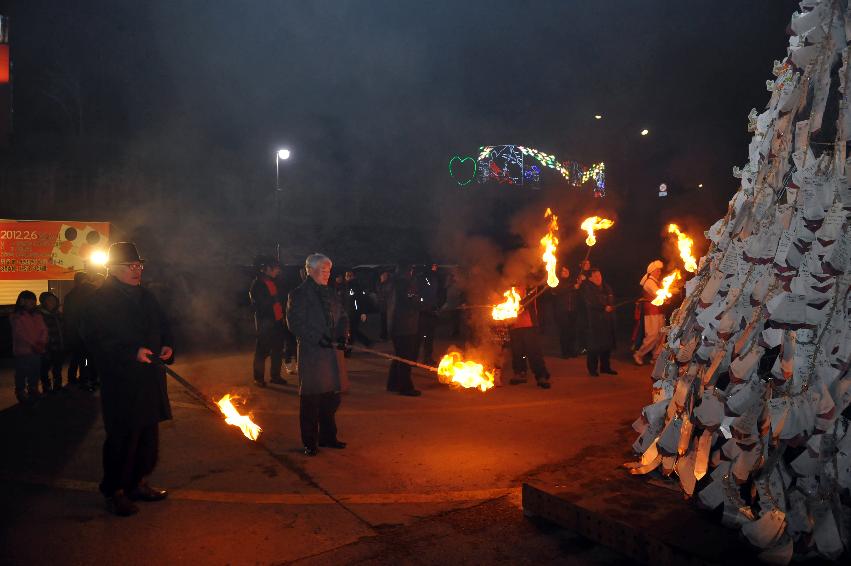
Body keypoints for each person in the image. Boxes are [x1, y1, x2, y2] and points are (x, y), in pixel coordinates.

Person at [82, 242, 173, 516]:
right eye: (131, 266)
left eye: (139, 266)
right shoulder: (101, 300)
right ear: (114, 269)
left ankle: (138, 482)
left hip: (149, 379)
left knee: (148, 435)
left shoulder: (146, 296)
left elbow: (165, 324)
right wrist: (131, 352)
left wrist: (168, 345)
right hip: (122, 381)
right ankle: (115, 490)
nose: (138, 271)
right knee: (123, 437)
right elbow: (97, 340)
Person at [286, 253, 348, 456]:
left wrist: (342, 334)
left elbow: (343, 315)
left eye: (329, 270)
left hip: (331, 353)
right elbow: (295, 323)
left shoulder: (330, 292)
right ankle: (310, 442)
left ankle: (328, 437)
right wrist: (317, 338)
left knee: (332, 398)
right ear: (309, 270)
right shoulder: (299, 294)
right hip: (313, 353)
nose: (328, 274)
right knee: (311, 400)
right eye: (323, 270)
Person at [386, 265, 432, 397]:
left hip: (395, 325)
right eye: (411, 270)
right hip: (405, 326)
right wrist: (428, 307)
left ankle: (393, 384)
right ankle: (405, 387)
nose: (412, 273)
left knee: (399, 356)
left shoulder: (393, 284)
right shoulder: (405, 284)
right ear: (406, 272)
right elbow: (413, 302)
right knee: (406, 358)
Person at [249, 256, 288, 387]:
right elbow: (261, 305)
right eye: (276, 267)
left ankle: (275, 376)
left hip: (277, 321)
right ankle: (258, 378)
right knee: (262, 351)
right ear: (266, 269)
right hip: (265, 323)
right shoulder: (257, 284)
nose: (278, 270)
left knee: (277, 350)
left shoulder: (274, 282)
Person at [508, 276, 551, 389]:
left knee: (534, 351)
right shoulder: (508, 288)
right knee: (518, 352)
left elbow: (530, 298)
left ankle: (541, 375)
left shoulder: (530, 285)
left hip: (529, 324)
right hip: (514, 324)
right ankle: (520, 372)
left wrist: (520, 305)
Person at [11, 290, 48, 403]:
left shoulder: (37, 315)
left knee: (35, 371)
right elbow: (19, 333)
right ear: (22, 301)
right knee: (21, 372)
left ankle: (33, 388)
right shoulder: (16, 316)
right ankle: (20, 390)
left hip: (37, 350)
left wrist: (41, 342)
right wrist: (33, 344)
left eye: (33, 300)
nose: (32, 302)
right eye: (30, 300)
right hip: (23, 350)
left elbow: (44, 329)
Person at [63, 272, 98, 389]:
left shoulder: (70, 295)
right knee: (88, 358)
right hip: (88, 332)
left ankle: (75, 378)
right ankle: (88, 378)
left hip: (75, 332)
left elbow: (67, 316)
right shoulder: (93, 292)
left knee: (78, 357)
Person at [580, 268, 617, 376]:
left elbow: (611, 299)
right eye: (595, 276)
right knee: (594, 346)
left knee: (607, 345)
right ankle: (592, 369)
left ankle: (605, 367)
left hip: (607, 320)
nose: (598, 278)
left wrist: (610, 306)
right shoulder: (587, 288)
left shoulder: (606, 287)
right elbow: (590, 302)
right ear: (590, 278)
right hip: (594, 321)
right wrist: (603, 307)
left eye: (599, 275)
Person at [633, 260, 665, 366]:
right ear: (652, 272)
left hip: (659, 311)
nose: (659, 272)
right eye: (657, 271)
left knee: (661, 334)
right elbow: (658, 294)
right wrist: (668, 293)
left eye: (660, 271)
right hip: (651, 311)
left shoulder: (656, 281)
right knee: (652, 335)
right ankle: (639, 354)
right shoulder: (649, 282)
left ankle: (656, 357)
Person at [417, 263, 444, 366]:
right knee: (420, 336)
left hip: (432, 311)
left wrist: (437, 306)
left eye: (436, 266)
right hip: (423, 312)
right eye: (433, 266)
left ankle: (427, 358)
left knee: (429, 337)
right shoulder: (421, 279)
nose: (435, 268)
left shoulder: (435, 278)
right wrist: (424, 306)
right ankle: (414, 358)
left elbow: (437, 293)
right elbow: (420, 295)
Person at [38, 291, 65, 393]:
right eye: (49, 300)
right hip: (46, 347)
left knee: (57, 367)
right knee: (45, 368)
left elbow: (62, 329)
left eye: (54, 300)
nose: (52, 302)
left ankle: (58, 385)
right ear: (44, 302)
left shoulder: (58, 314)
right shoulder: (39, 315)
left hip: (58, 345)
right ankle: (46, 386)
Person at [552, 266, 578, 358]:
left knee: (572, 332)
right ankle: (565, 352)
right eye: (563, 271)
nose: (566, 272)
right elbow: (560, 290)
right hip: (562, 311)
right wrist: (573, 287)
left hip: (572, 310)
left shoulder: (572, 281)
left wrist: (577, 285)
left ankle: (571, 351)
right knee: (564, 332)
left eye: (567, 270)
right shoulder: (556, 282)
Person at [343, 270, 372, 348]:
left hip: (355, 312)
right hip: (348, 311)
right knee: (352, 330)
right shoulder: (346, 286)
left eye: (350, 276)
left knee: (352, 331)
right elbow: (345, 300)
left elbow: (362, 300)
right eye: (347, 276)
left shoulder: (356, 286)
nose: (348, 277)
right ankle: (367, 342)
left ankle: (348, 350)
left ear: (353, 276)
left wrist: (363, 312)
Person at [376, 271, 393, 341]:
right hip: (382, 305)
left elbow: (387, 293)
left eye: (385, 275)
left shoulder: (389, 284)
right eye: (382, 275)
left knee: (387, 321)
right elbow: (379, 292)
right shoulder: (379, 284)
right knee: (383, 320)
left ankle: (386, 335)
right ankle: (384, 335)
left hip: (388, 305)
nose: (383, 277)